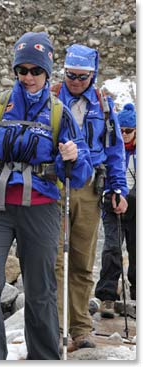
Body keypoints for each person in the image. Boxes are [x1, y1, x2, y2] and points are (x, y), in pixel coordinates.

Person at [0, 32, 92, 360]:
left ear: (47, 72)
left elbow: (82, 173)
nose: (28, 77)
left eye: (35, 71)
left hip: (40, 209)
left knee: (40, 292)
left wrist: (72, 157)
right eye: (21, 70)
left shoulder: (59, 113)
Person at [53, 44, 128, 350]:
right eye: (71, 75)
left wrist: (117, 188)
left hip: (90, 189)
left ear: (93, 75)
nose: (76, 81)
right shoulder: (51, 98)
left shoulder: (103, 105)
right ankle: (54, 329)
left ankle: (80, 329)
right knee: (56, 260)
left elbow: (114, 151)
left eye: (83, 77)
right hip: (55, 183)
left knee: (82, 260)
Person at [95, 103, 136, 317]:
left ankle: (137, 294)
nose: (124, 135)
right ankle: (107, 297)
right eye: (121, 130)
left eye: (129, 131)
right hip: (112, 204)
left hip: (137, 208)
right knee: (112, 249)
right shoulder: (110, 149)